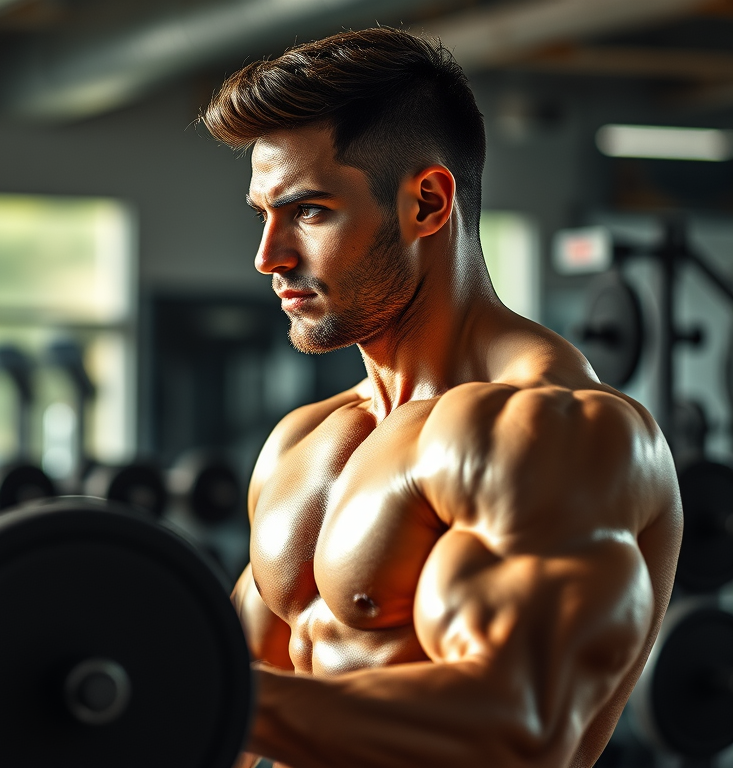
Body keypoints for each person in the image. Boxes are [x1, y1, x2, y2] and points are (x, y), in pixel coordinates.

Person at [200, 27, 682, 768]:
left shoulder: (550, 430)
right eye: (262, 213)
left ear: (426, 203)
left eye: (309, 211)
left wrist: (187, 686)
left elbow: (520, 728)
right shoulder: (304, 443)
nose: (270, 256)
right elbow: (222, 718)